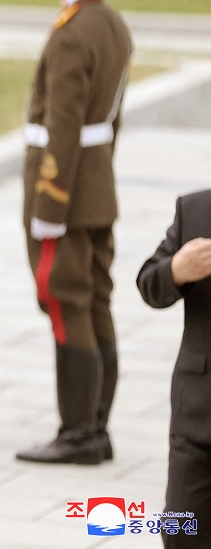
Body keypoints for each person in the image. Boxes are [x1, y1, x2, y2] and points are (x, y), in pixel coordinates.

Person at [14, 0, 132, 465]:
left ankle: (78, 433)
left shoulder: (71, 32)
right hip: (98, 189)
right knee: (96, 303)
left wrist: (49, 205)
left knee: (65, 303)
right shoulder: (110, 21)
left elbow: (62, 127)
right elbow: (111, 119)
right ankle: (97, 427)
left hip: (64, 194)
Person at [138, 190, 211, 546]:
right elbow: (149, 283)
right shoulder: (196, 209)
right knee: (181, 530)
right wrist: (176, 270)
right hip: (197, 417)